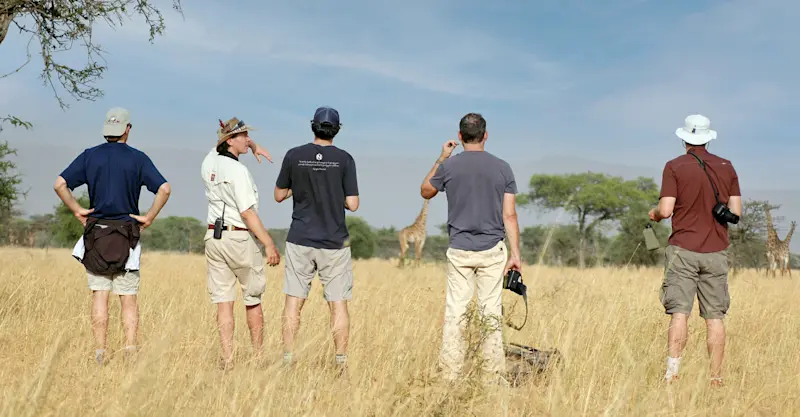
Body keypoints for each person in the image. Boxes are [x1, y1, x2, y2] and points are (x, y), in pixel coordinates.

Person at [54, 107, 171, 365]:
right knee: (128, 299)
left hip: (96, 235)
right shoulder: (138, 159)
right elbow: (164, 188)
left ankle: (99, 353)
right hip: (127, 235)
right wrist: (149, 216)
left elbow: (59, 184)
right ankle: (130, 351)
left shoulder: (89, 156)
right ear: (127, 129)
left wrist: (77, 210)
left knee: (99, 295)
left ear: (107, 130)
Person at [420, 112, 522, 383]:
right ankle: (492, 376)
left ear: (460, 136)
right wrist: (516, 255)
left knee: (456, 313)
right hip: (492, 250)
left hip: (460, 250)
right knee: (491, 312)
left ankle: (451, 375)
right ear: (486, 135)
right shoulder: (503, 168)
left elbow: (425, 191)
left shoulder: (449, 167)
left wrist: (442, 158)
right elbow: (509, 216)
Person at [649, 114, 742, 387]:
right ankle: (716, 378)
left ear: (684, 138)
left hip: (683, 250)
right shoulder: (727, 167)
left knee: (680, 313)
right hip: (716, 251)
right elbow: (736, 212)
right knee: (715, 318)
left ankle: (672, 375)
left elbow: (666, 210)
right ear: (708, 137)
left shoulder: (674, 166)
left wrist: (653, 215)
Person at [274, 106, 359, 373]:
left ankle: (288, 359)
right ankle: (341, 362)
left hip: (300, 239)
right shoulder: (345, 159)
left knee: (293, 302)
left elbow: (278, 195)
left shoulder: (294, 155)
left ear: (313, 126)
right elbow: (353, 204)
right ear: (337, 130)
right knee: (337, 304)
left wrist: (300, 187)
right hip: (333, 242)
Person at [201, 117, 281, 370]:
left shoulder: (209, 161)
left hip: (214, 238)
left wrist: (253, 146)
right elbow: (247, 212)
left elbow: (222, 145)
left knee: (224, 302)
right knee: (253, 298)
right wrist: (268, 243)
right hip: (239, 236)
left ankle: (227, 360)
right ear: (229, 140)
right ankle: (258, 358)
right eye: (243, 136)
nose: (248, 139)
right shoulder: (239, 171)